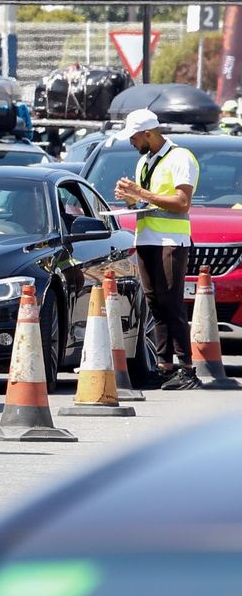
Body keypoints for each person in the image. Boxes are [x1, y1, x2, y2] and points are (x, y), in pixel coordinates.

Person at [113, 108, 201, 391]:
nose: (131, 142)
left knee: (171, 302)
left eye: (134, 137)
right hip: (146, 238)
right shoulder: (144, 161)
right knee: (154, 303)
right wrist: (129, 198)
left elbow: (182, 202)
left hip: (170, 241)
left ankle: (187, 369)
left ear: (149, 134)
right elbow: (145, 203)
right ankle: (165, 367)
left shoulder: (180, 158)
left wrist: (140, 193)